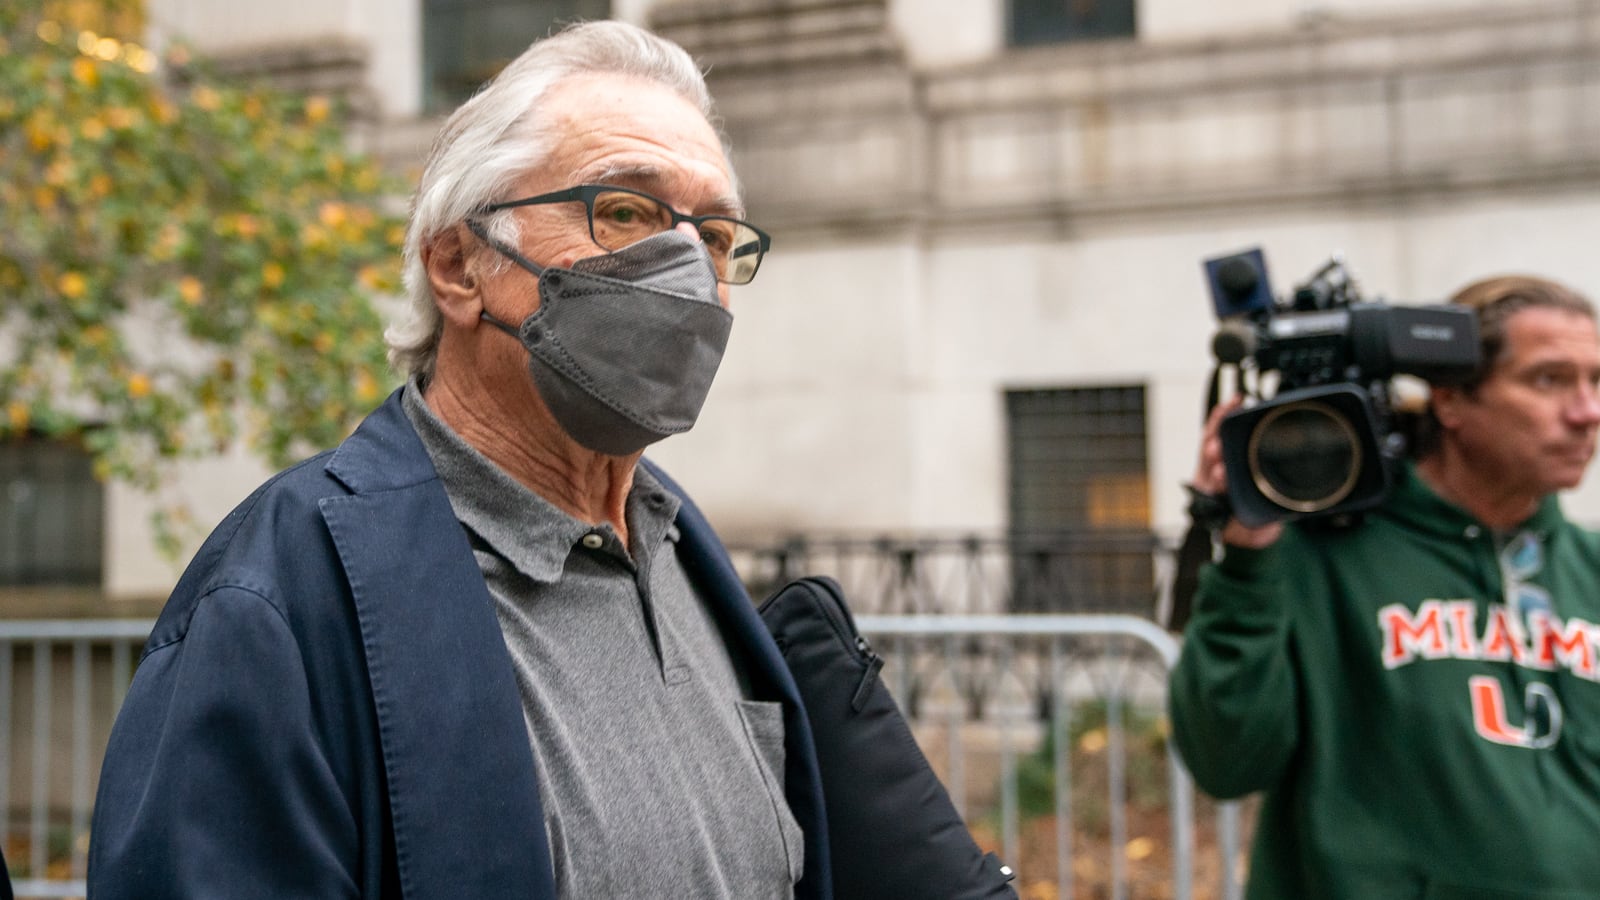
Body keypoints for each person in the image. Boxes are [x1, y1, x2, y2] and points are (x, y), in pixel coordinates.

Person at [87, 21, 825, 899]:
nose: (684, 273)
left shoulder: (678, 553)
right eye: (625, 211)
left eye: (711, 237)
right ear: (458, 265)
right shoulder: (279, 600)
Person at [1168, 274, 1600, 898]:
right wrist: (1247, 558)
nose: (1587, 412)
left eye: (1594, 381)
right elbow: (1227, 761)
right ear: (1450, 401)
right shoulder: (1320, 556)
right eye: (1549, 380)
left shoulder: (1588, 568)